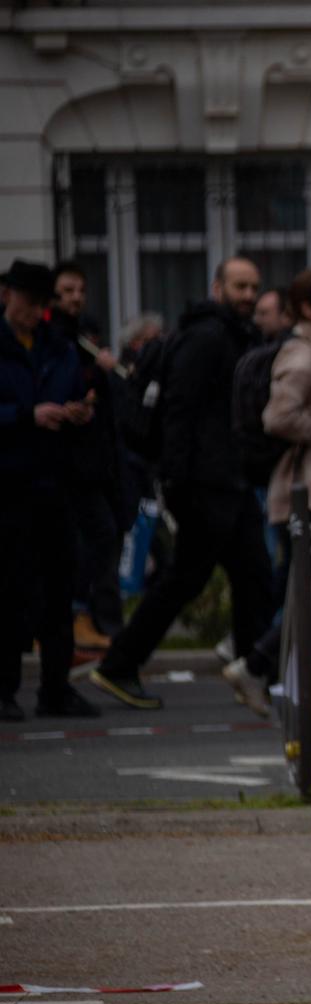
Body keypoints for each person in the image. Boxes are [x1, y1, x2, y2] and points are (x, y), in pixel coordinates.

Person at [90, 257, 273, 711]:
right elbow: (180, 409)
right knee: (188, 579)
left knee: (253, 576)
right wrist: (175, 479)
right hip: (204, 484)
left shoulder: (234, 335)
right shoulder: (206, 338)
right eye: (240, 286)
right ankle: (119, 664)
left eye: (253, 287)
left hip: (227, 481)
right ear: (217, 287)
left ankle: (254, 672)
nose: (248, 295)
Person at [230, 268, 311, 707]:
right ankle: (259, 667)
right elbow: (277, 417)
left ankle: (292, 681)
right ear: (307, 308)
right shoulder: (304, 357)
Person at [0, 259, 101, 718]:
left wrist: (79, 411)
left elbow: (75, 391)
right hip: (9, 485)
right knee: (10, 590)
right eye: (28, 301)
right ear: (8, 296)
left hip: (53, 482)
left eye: (42, 303)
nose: (34, 312)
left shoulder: (58, 346)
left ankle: (55, 688)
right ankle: (4, 690)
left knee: (58, 590)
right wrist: (26, 416)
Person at [52, 261, 130, 654]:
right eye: (68, 290)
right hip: (68, 463)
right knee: (95, 537)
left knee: (100, 536)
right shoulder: (56, 338)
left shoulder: (82, 337)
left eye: (81, 290)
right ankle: (75, 613)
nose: (76, 298)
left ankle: (84, 616)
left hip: (94, 459)